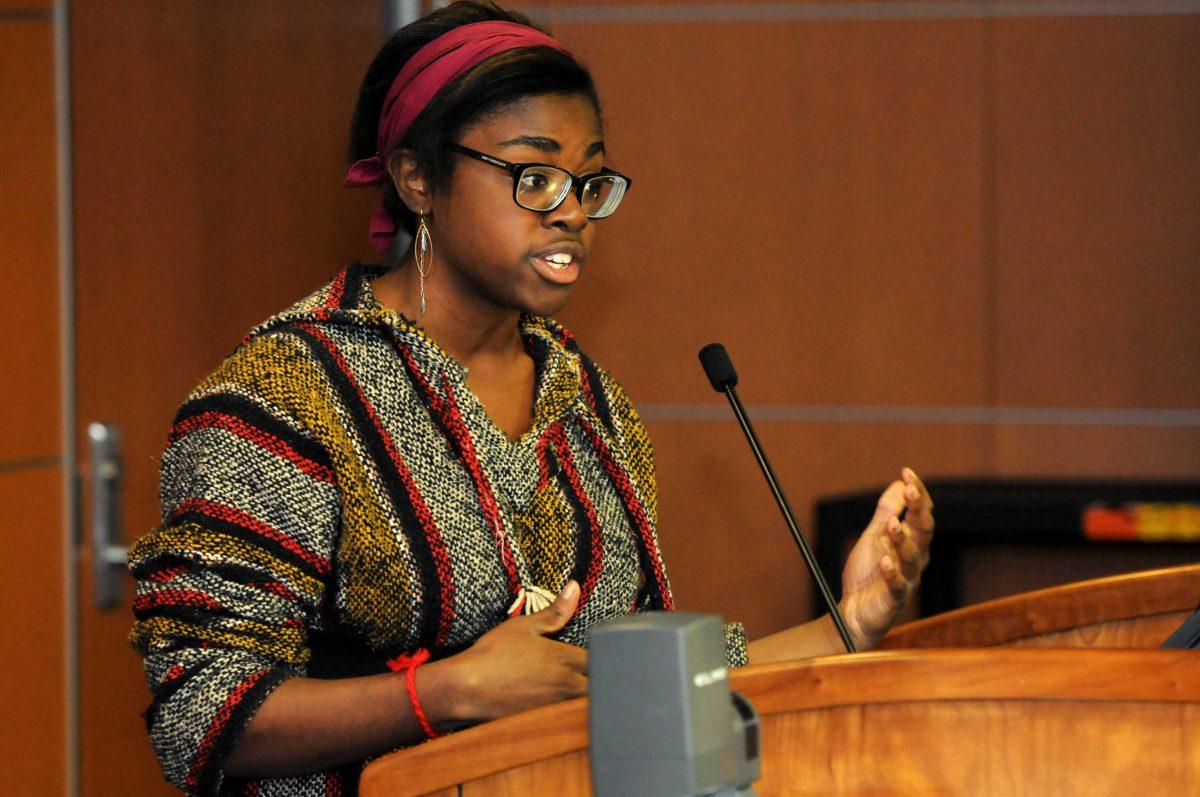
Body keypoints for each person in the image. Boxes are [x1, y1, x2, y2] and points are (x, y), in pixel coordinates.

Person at [128, 3, 935, 795]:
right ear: (417, 178)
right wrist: (447, 690)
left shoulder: (590, 402)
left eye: (589, 181)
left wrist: (848, 623)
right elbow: (199, 715)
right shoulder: (285, 395)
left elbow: (635, 675)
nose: (572, 211)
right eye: (534, 175)